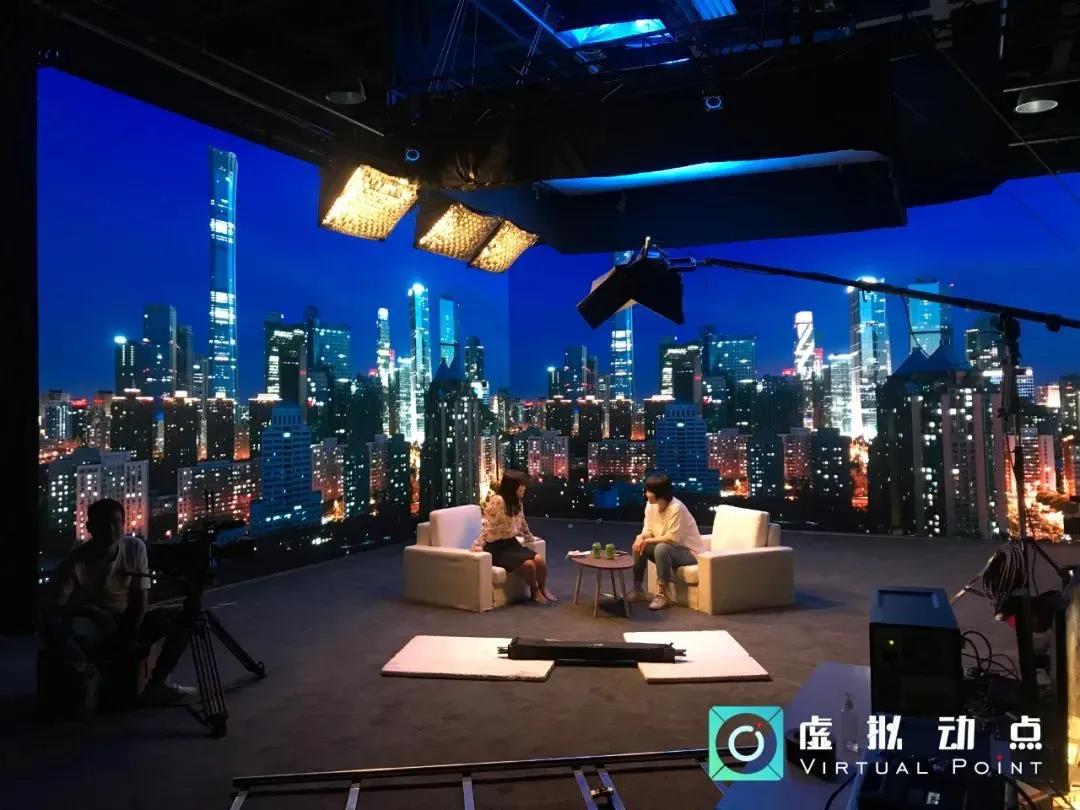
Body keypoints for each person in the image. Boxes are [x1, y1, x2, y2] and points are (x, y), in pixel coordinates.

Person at [46, 498, 195, 706]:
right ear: (90, 527)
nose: (110, 530)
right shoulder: (75, 562)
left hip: (126, 621)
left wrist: (127, 636)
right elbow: (55, 608)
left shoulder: (134, 548)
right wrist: (90, 611)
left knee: (187, 616)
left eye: (116, 523)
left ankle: (159, 681)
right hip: (93, 629)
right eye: (103, 524)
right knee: (64, 632)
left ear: (123, 524)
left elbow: (140, 600)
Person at [472, 470, 556, 604]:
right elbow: (487, 525)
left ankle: (542, 588)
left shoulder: (517, 502)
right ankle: (534, 590)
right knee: (529, 565)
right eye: (521, 485)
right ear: (512, 487)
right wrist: (479, 544)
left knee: (539, 560)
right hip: (496, 547)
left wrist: (529, 537)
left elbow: (522, 522)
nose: (524, 488)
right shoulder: (498, 501)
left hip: (511, 543)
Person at [628, 474, 706, 610]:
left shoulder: (676, 508)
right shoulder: (651, 505)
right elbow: (648, 528)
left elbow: (671, 538)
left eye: (649, 491)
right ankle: (637, 590)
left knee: (661, 548)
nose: (646, 494)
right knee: (640, 546)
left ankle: (662, 595)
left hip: (689, 554)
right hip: (669, 550)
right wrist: (640, 537)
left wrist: (646, 540)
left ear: (660, 493)